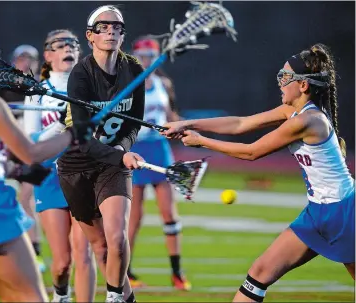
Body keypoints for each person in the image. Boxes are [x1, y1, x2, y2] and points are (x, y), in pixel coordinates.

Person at [163, 43, 355, 302]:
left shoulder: (306, 121)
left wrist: (202, 142)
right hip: (317, 213)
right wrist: (187, 123)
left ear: (303, 85)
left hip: (344, 213)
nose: (280, 82)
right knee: (259, 273)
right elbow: (241, 123)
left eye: (285, 77)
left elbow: (251, 152)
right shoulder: (294, 112)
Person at [0, 22, 81, 302]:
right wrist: (73, 132)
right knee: (33, 298)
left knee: (11, 298)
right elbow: (31, 152)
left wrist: (12, 169)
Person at [56, 5, 145, 303]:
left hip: (113, 166)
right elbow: (81, 137)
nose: (111, 31)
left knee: (117, 238)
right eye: (103, 27)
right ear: (90, 36)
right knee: (101, 249)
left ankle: (114, 297)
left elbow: (134, 124)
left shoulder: (134, 70)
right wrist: (119, 155)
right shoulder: (80, 75)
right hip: (77, 165)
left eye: (117, 27)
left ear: (123, 34)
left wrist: (123, 149)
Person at [23, 29, 97, 303]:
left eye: (73, 44)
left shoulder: (90, 88)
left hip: (84, 174)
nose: (68, 48)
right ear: (48, 55)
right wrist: (60, 126)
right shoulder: (37, 92)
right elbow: (31, 143)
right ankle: (61, 295)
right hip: (52, 178)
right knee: (62, 262)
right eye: (60, 44)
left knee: (83, 252)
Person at [127, 36, 191, 291]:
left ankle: (177, 272)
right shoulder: (128, 86)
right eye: (141, 56)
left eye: (150, 57)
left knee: (169, 213)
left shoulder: (164, 83)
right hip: (137, 148)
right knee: (134, 216)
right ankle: (126, 270)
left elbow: (171, 116)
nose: (146, 61)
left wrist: (186, 127)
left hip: (159, 149)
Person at [0, 44, 46, 274]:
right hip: (6, 152)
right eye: (22, 59)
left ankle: (34, 253)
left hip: (30, 150)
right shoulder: (2, 89)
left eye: (30, 59)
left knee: (26, 198)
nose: (25, 63)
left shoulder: (40, 89)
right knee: (8, 201)